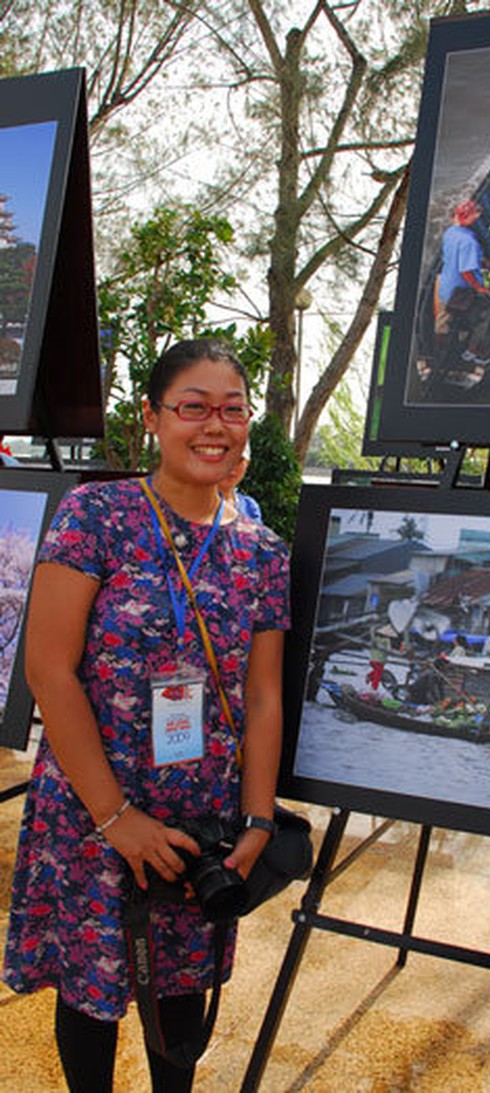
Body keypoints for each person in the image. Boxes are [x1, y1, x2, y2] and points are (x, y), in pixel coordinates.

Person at [2, 338, 290, 1093]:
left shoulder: (261, 552)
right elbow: (49, 669)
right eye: (192, 406)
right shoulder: (97, 513)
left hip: (201, 818)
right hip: (94, 806)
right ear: (153, 418)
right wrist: (114, 816)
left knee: (180, 992)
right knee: (90, 994)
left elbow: (263, 697)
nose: (213, 425)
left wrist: (257, 821)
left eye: (232, 408)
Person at [433, 198, 490, 337]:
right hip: (459, 292)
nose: (477, 219)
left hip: (445, 286)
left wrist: (481, 260)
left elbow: (457, 254)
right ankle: (472, 350)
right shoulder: (469, 241)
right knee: (482, 315)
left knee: (442, 322)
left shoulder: (450, 233)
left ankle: (441, 342)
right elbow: (466, 271)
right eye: (475, 216)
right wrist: (480, 288)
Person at [219, 440, 262, 522]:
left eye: (239, 460)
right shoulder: (194, 505)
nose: (231, 467)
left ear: (247, 464)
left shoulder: (250, 508)